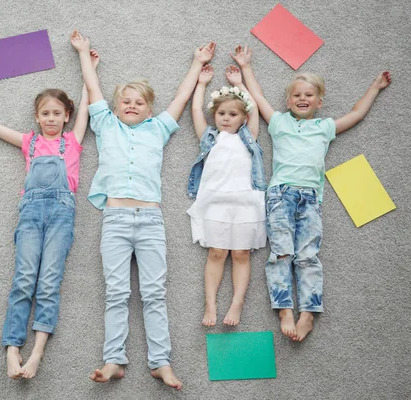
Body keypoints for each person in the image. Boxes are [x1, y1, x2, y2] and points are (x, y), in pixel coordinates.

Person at [71, 29, 216, 390]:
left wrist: (197, 63)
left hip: (151, 220)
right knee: (116, 293)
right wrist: (84, 53)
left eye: (139, 102)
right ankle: (113, 360)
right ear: (116, 108)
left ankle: (161, 362)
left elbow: (181, 100)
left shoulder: (158, 129)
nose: (132, 106)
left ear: (150, 109)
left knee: (154, 293)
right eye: (126, 101)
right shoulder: (105, 125)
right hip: (115, 220)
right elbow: (94, 91)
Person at [0, 49, 99, 380]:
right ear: (36, 116)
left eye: (57, 113)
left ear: (67, 116)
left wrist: (90, 68)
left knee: (49, 283)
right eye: (45, 113)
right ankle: (13, 348)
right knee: (24, 280)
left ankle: (37, 352)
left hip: (61, 214)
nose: (51, 118)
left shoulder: (72, 142)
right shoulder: (28, 142)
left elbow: (89, 105)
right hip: (30, 214)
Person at [235, 45, 392, 341]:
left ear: (320, 102)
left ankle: (308, 312)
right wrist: (245, 68)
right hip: (280, 196)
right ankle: (284, 308)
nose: (302, 99)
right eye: (297, 95)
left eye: (308, 95)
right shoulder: (279, 122)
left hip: (310, 198)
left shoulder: (324, 127)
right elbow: (258, 98)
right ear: (288, 100)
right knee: (281, 253)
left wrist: (375, 87)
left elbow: (356, 114)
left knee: (308, 255)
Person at [187, 63, 267, 327]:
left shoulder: (249, 137)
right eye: (221, 113)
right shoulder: (210, 137)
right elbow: (197, 110)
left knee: (241, 254)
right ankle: (210, 303)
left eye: (233, 114)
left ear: (243, 118)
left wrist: (240, 83)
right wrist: (201, 84)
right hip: (216, 203)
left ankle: (237, 302)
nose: (226, 118)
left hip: (245, 203)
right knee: (217, 252)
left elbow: (254, 107)